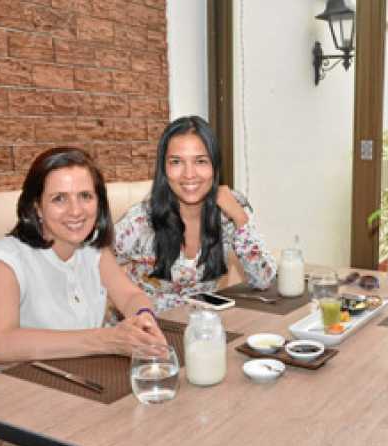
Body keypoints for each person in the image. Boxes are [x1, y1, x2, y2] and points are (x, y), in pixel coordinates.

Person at [0, 147, 166, 446]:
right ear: (36, 207)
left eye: (85, 196)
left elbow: (131, 295)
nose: (76, 210)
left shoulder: (91, 250)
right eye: (59, 198)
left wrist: (144, 319)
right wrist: (106, 339)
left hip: (50, 395)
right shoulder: (4, 258)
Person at [115, 115, 276, 311]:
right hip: (147, 325)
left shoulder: (228, 213)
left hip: (204, 324)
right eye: (176, 162)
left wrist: (240, 218)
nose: (189, 174)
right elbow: (94, 263)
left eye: (200, 161)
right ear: (164, 169)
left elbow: (264, 280)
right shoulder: (140, 222)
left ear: (214, 166)